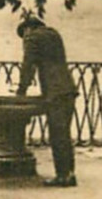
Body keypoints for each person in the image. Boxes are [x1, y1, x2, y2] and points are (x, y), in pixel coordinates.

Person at [15, 16, 78, 187]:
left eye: (23, 35)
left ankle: (62, 176)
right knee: (64, 134)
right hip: (68, 88)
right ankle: (69, 173)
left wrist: (21, 89)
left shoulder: (32, 37)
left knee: (57, 135)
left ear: (27, 29)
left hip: (54, 91)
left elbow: (28, 65)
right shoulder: (54, 34)